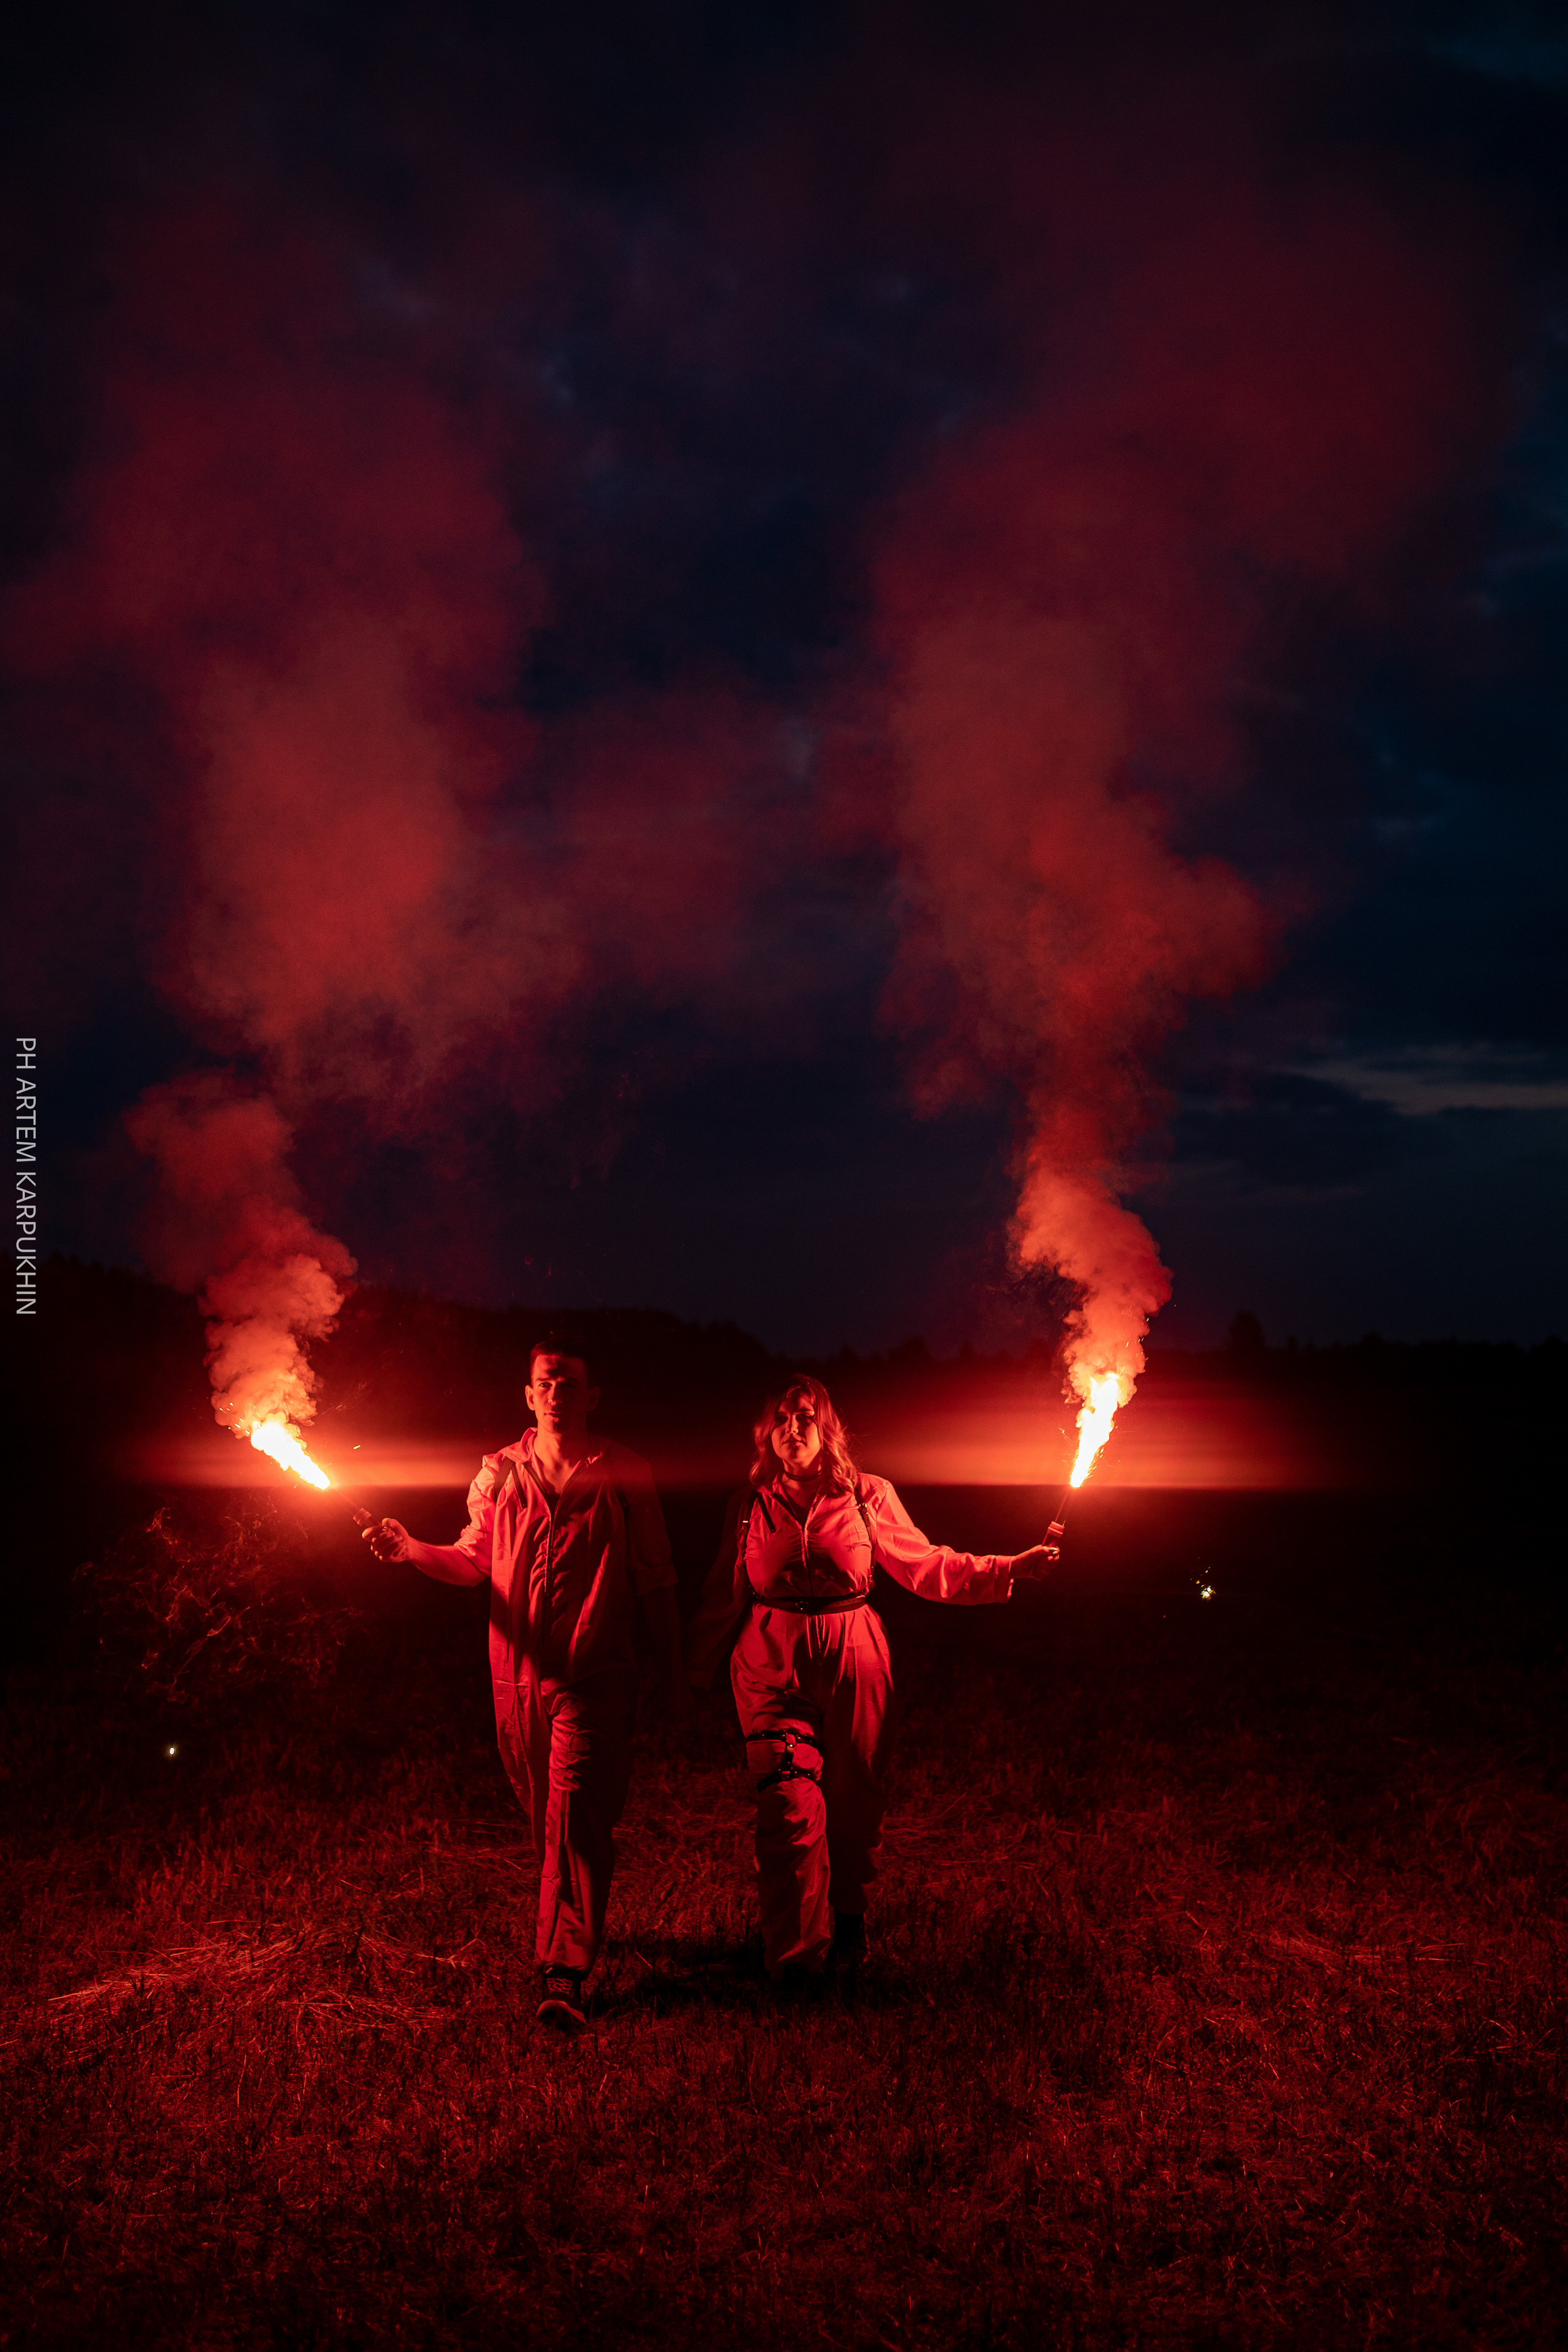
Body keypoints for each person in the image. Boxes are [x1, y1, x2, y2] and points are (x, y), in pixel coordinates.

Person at [360, 1335, 688, 2031]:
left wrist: (674, 1668)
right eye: (546, 1382)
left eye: (570, 1382)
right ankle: (576, 1918)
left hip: (594, 1673)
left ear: (591, 1396)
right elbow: (470, 1562)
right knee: (549, 1818)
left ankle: (562, 1972)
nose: (557, 1394)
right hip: (515, 1680)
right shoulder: (499, 1475)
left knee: (572, 1814)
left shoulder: (625, 1472)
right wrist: (411, 1549)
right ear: (529, 1394)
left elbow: (657, 1578)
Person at [685, 1375, 1055, 1985]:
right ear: (766, 1431)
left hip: (853, 1653)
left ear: (826, 1428)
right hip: (769, 1660)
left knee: (855, 1797)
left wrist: (1007, 1570)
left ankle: (849, 1919)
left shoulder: (865, 1495)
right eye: (781, 1418)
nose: (793, 1429)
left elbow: (924, 1563)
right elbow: (721, 1597)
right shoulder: (750, 1503)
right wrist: (693, 1670)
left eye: (805, 1417)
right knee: (786, 1802)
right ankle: (796, 1958)